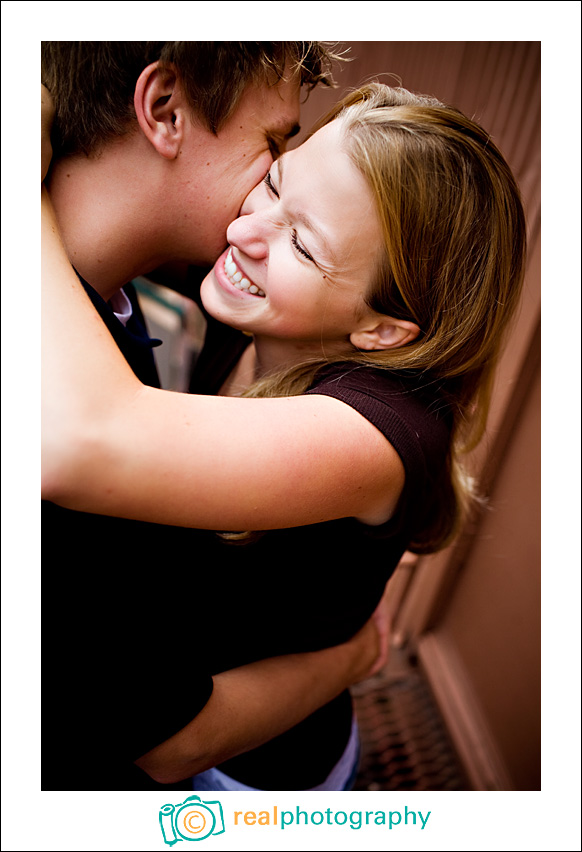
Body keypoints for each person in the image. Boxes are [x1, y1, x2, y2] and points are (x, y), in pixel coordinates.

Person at [42, 82, 526, 791]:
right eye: (272, 179)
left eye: (301, 242)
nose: (245, 230)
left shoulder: (379, 430)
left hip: (248, 778)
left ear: (383, 330)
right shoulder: (261, 294)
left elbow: (84, 438)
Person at [40, 43, 391, 793]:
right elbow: (158, 736)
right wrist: (356, 656)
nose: (255, 219)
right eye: (272, 152)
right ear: (163, 111)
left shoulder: (133, 305)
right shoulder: (59, 399)